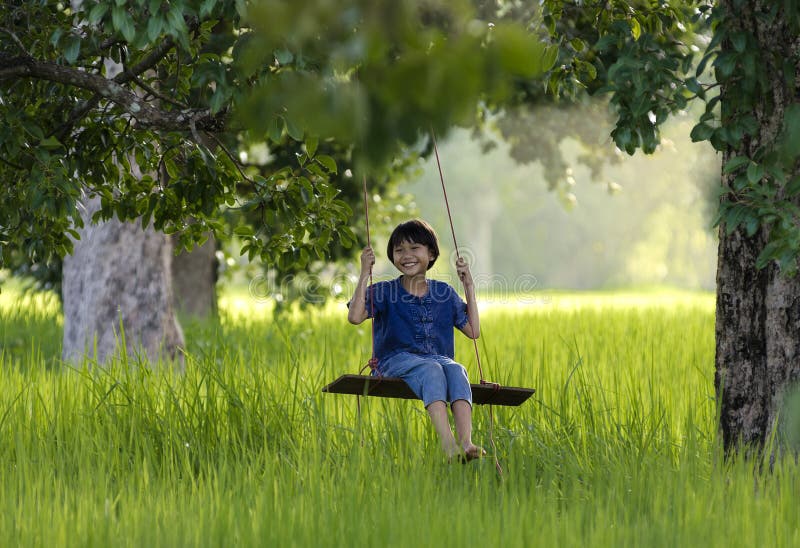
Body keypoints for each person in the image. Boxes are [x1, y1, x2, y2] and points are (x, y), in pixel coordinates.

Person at [348, 219, 486, 462]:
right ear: (392, 256)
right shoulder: (384, 291)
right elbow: (355, 316)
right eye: (399, 250)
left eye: (414, 248)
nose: (406, 255)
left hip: (437, 360)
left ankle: (466, 442)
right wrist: (363, 273)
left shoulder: (445, 293)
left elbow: (473, 331)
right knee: (432, 369)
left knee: (456, 369)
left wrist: (469, 287)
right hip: (394, 361)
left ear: (430, 253)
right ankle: (448, 445)